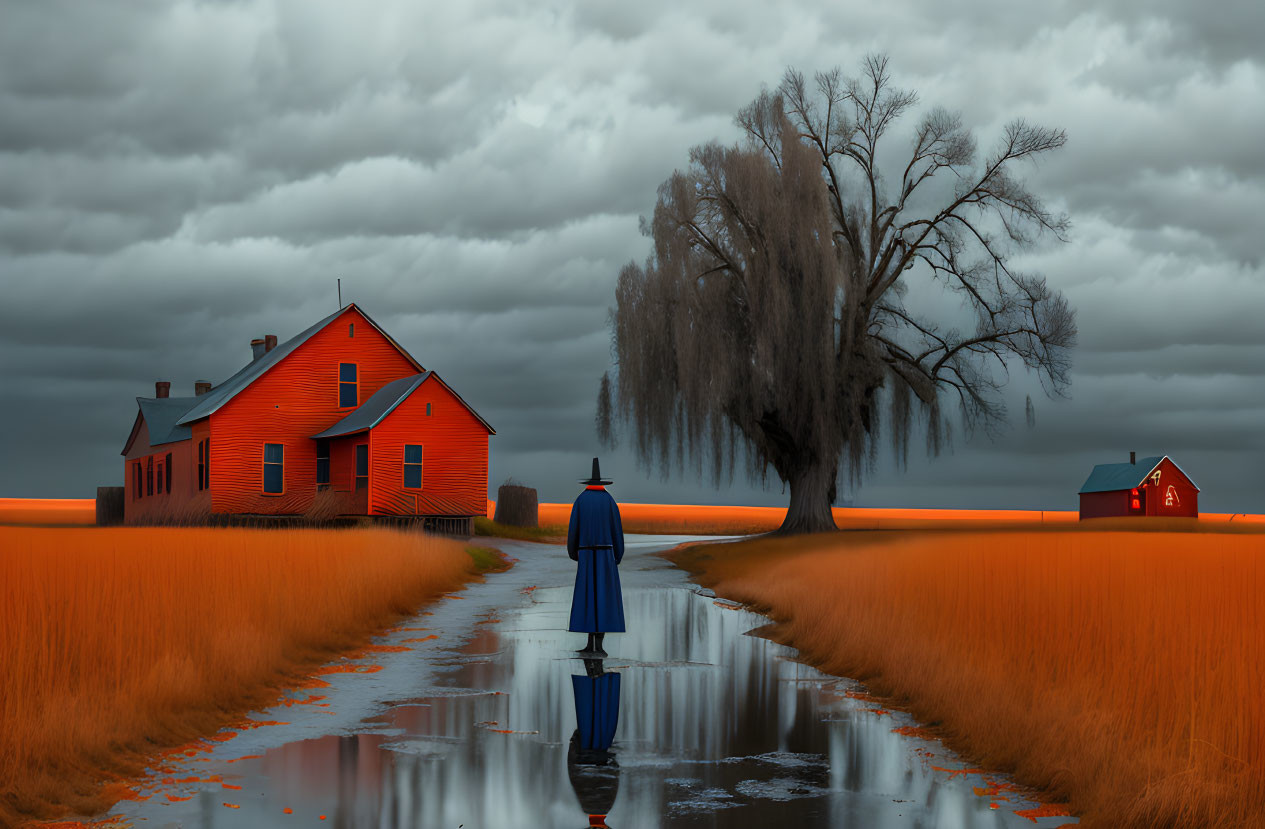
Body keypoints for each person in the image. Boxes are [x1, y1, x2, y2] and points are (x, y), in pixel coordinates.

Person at [567, 457, 625, 656]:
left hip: (585, 554)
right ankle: (599, 646)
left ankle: (589, 643)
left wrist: (574, 553)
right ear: (602, 484)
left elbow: (573, 529)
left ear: (588, 484)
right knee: (604, 598)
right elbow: (617, 530)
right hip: (606, 556)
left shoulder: (581, 501)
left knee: (587, 598)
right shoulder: (609, 501)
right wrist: (617, 555)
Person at [568, 657, 620, 827]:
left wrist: (612, 758)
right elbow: (573, 771)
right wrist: (574, 743)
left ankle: (601, 677)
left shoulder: (608, 802)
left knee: (603, 711)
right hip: (584, 748)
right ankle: (590, 673)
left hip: (602, 746)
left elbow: (614, 773)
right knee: (587, 709)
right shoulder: (584, 802)